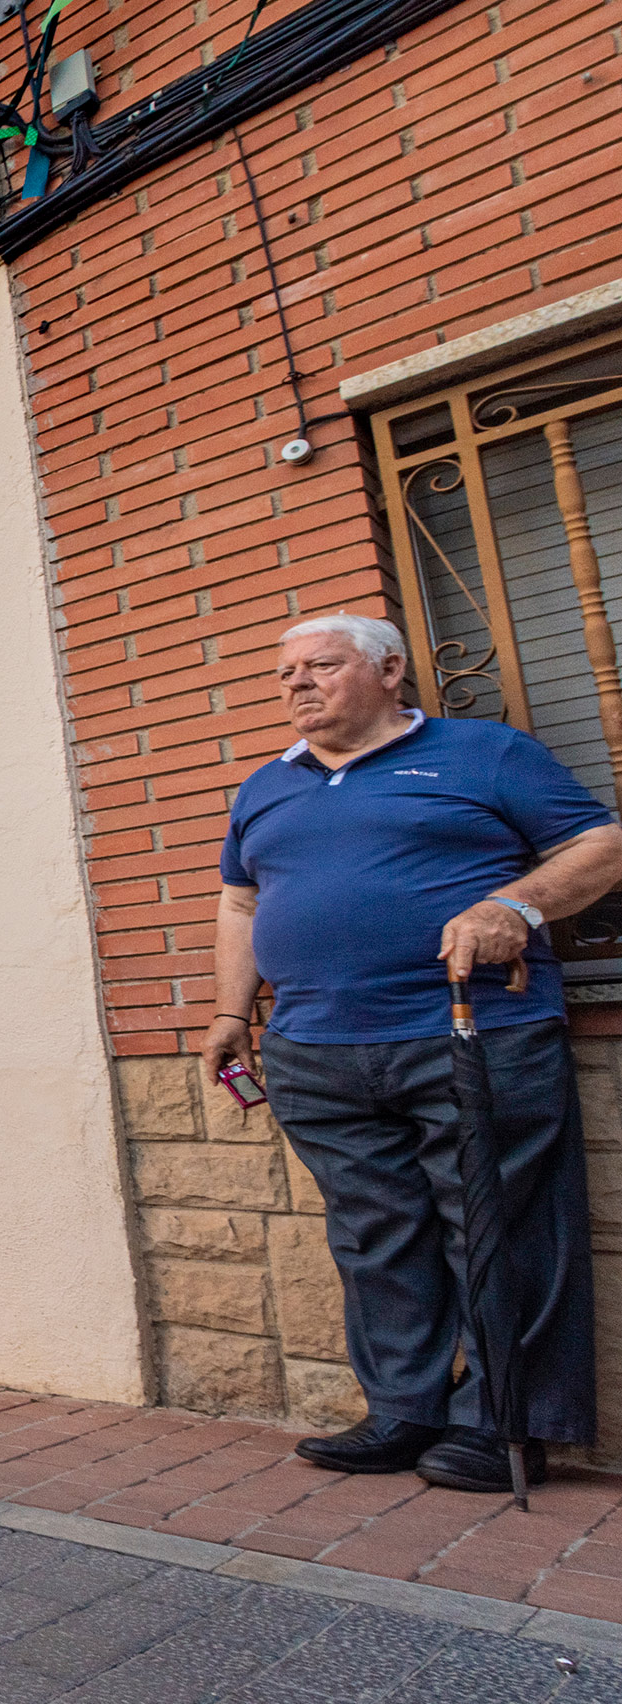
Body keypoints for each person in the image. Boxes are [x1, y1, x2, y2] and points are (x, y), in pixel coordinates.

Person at [208, 614, 622, 1494]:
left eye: (319, 665)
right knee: (372, 1233)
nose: (296, 685)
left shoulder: (484, 753)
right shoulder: (263, 788)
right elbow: (242, 905)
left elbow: (599, 843)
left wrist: (519, 906)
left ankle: (502, 1422)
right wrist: (227, 1011)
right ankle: (406, 1409)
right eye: (284, 673)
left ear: (389, 668)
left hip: (469, 1031)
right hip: (314, 1049)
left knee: (499, 1227)